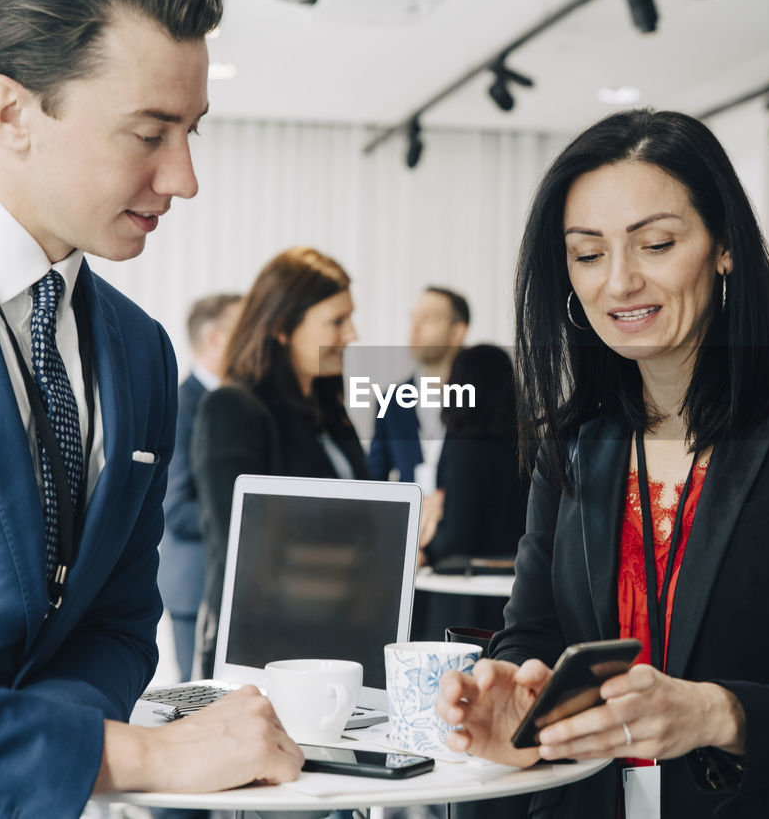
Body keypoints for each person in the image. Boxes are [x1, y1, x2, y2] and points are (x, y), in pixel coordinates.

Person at [0, 0, 303, 816]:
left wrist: (19, 769)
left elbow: (114, 622)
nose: (184, 178)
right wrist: (133, 754)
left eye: (192, 132)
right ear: (9, 111)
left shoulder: (140, 352)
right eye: (149, 133)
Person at [436, 109, 769, 818]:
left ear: (723, 247)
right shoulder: (573, 440)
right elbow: (533, 628)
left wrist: (713, 713)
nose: (620, 281)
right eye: (588, 253)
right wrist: (516, 688)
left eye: (655, 243)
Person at [192, 246, 367, 680]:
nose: (353, 335)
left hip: (342, 634)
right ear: (283, 328)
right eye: (336, 322)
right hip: (267, 648)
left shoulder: (332, 416)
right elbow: (243, 539)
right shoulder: (234, 409)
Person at [412, 344, 529, 639]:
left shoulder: (465, 446)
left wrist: (424, 550)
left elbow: (460, 533)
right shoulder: (529, 445)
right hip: (517, 592)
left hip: (465, 599)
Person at [159, 293, 242, 683]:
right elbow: (174, 509)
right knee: (200, 711)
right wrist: (250, 524)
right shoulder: (178, 405)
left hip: (237, 589)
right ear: (214, 339)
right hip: (196, 589)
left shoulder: (240, 404)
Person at [366, 286, 469, 489]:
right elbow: (374, 483)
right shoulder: (390, 402)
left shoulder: (485, 399)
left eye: (428, 319)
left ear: (457, 331)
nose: (415, 328)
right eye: (414, 318)